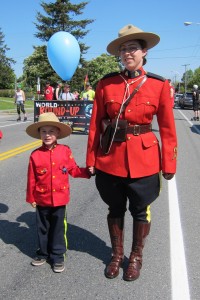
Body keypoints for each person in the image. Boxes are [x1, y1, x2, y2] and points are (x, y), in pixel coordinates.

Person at [86, 24, 177, 281]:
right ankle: (116, 254)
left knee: (140, 210)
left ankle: (136, 256)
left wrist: (169, 162)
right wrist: (91, 159)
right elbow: (95, 127)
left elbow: (168, 128)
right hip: (110, 159)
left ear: (144, 51)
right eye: (123, 49)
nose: (128, 53)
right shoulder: (106, 84)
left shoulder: (158, 85)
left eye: (133, 48)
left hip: (145, 160)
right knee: (114, 209)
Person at [26, 112, 90, 273]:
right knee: (42, 228)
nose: (47, 135)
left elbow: (73, 170)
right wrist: (31, 197)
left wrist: (88, 172)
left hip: (60, 199)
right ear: (39, 134)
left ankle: (57, 256)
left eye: (51, 131)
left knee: (58, 229)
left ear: (58, 133)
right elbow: (31, 179)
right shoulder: (35, 155)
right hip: (42, 199)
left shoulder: (65, 151)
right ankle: (43, 253)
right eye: (44, 131)